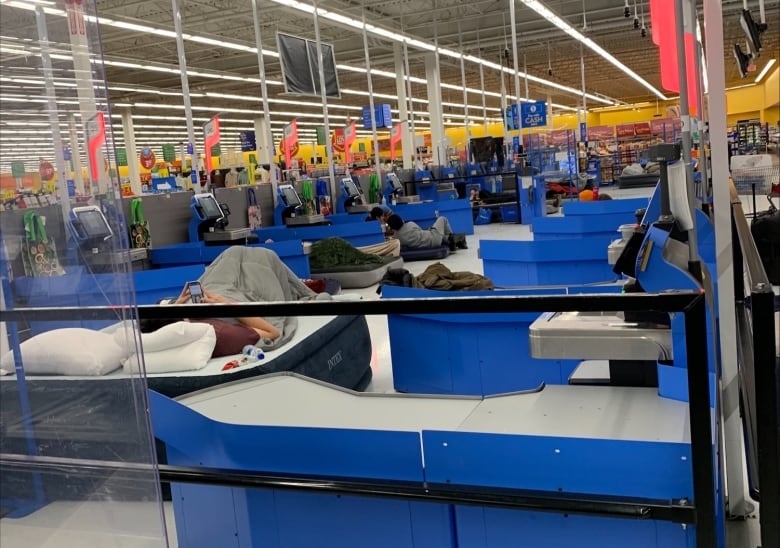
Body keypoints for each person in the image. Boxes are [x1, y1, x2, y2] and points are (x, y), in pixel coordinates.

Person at [386, 213, 466, 251]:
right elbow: (421, 230)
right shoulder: (410, 224)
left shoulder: (397, 237)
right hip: (433, 237)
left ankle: (450, 239)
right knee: (442, 219)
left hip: (429, 244)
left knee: (442, 236)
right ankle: (451, 237)